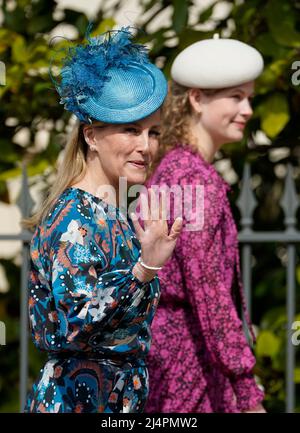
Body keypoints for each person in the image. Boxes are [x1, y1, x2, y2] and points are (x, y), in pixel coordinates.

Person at [21, 27, 182, 413]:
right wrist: (145, 269)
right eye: (131, 130)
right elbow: (77, 322)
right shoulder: (73, 216)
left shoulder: (114, 212)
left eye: (153, 132)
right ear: (91, 136)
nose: (146, 146)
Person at [144, 34, 266, 413]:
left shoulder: (178, 167)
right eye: (235, 97)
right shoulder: (191, 178)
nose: (247, 109)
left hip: (178, 360)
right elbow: (208, 291)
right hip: (185, 366)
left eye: (248, 97)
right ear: (196, 99)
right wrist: (247, 391)